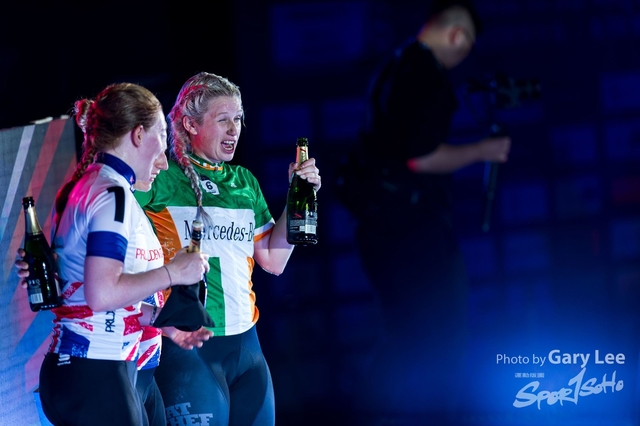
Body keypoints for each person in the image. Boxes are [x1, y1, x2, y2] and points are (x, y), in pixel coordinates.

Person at [339, 0, 512, 423]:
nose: (463, 57)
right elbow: (420, 157)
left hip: (382, 227)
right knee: (440, 335)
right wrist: (484, 150)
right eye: (466, 47)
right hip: (411, 230)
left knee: (404, 333)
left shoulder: (395, 65)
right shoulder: (425, 74)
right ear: (456, 36)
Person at [15, 82, 211, 426]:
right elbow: (102, 294)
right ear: (138, 135)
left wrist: (165, 323)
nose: (165, 162)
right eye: (161, 136)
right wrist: (175, 272)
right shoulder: (111, 193)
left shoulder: (104, 188)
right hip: (94, 369)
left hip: (96, 368)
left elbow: (92, 294)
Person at [133, 71, 322, 426]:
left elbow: (274, 260)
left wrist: (298, 195)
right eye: (223, 120)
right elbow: (110, 213)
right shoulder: (161, 177)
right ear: (190, 124)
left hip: (247, 346)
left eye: (238, 119)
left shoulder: (244, 182)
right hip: (188, 345)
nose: (234, 129)